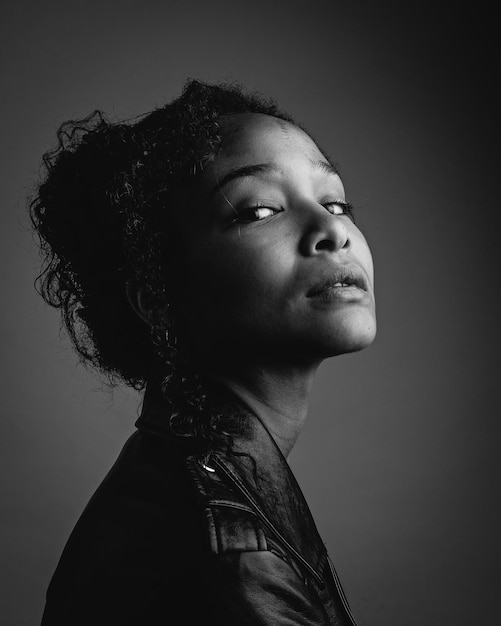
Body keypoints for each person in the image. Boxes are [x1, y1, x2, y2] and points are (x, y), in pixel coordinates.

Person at [31, 79, 376, 625]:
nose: (332, 229)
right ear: (160, 297)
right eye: (260, 211)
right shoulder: (232, 558)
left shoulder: (187, 480)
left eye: (335, 200)